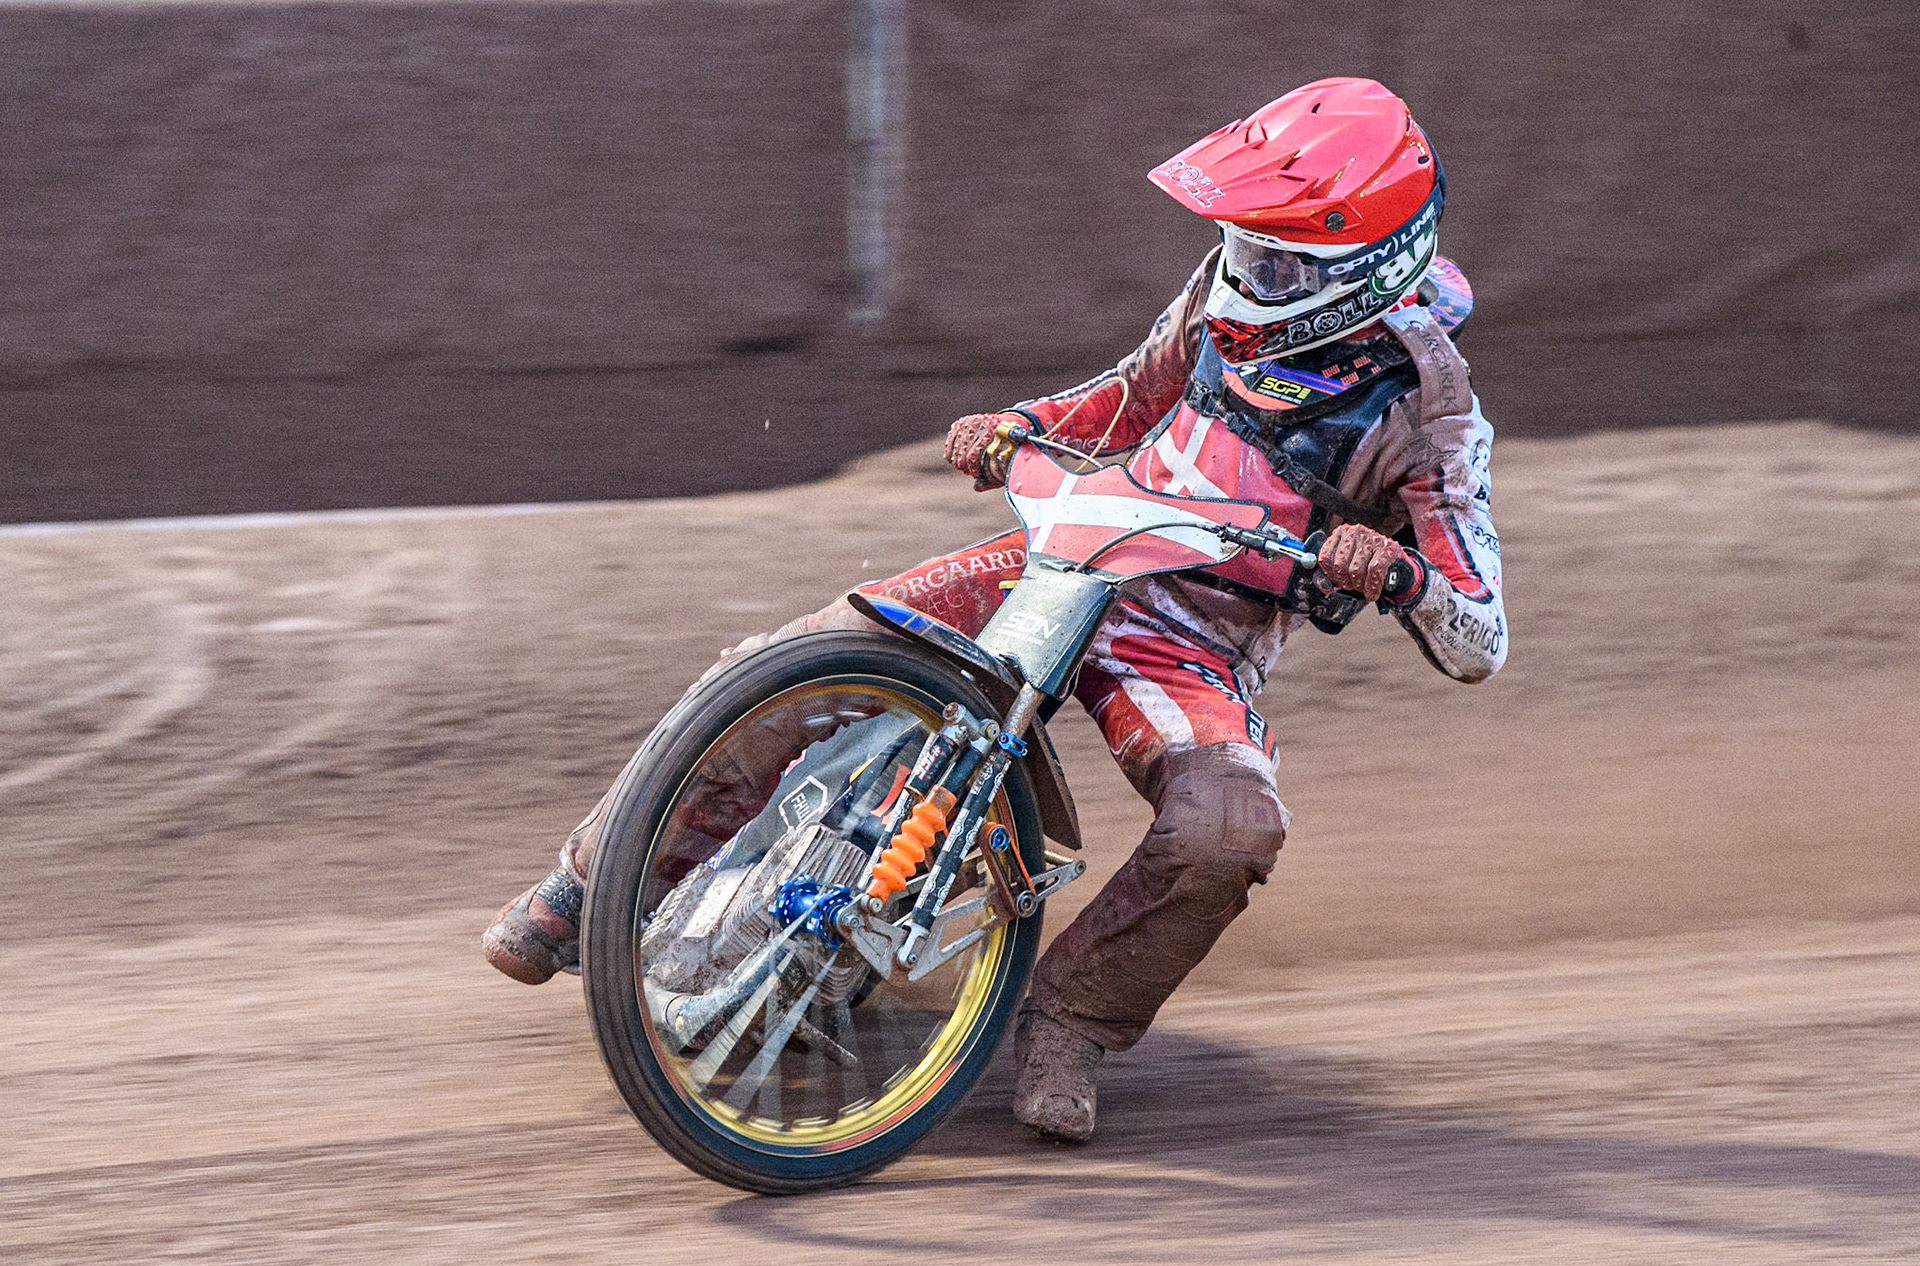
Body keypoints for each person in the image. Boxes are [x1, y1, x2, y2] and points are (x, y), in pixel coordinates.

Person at [484, 76, 1507, 1143]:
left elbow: (1480, 635)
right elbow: (1127, 397)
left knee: (1229, 827)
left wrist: (1400, 576)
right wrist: (1020, 424)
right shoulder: (1223, 293)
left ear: (1363, 268)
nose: (1252, 271)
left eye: (1281, 260)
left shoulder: (1433, 415)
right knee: (806, 654)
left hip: (1191, 638)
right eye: (1248, 243)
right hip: (1067, 555)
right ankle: (588, 886)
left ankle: (1072, 1019)